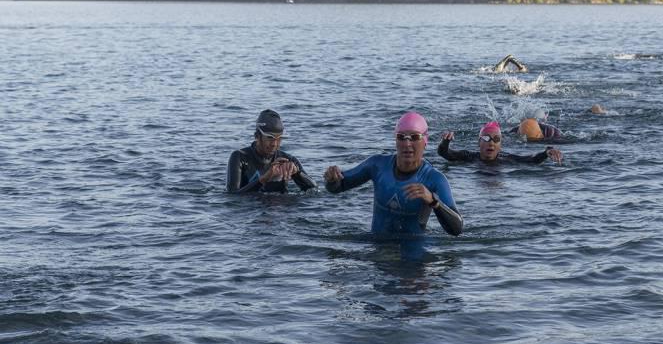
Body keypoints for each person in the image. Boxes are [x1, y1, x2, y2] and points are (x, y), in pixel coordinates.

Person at [324, 112, 463, 236]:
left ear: (425, 141)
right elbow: (337, 187)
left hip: (414, 253)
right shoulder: (377, 165)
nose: (407, 143)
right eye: (401, 137)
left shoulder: (435, 179)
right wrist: (332, 180)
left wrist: (433, 201)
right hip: (377, 246)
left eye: (414, 137)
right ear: (395, 140)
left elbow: (457, 229)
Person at [226, 109, 316, 193]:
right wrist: (264, 179)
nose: (275, 144)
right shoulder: (240, 157)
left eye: (279, 138)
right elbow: (233, 195)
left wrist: (297, 174)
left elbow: (314, 191)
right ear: (257, 136)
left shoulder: (288, 160)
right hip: (252, 208)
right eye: (270, 138)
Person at [438, 121, 563, 165]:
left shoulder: (506, 158)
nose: (491, 143)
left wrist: (547, 151)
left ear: (500, 145)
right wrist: (445, 142)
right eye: (486, 138)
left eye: (496, 139)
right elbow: (445, 153)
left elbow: (532, 160)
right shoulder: (469, 156)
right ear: (479, 142)